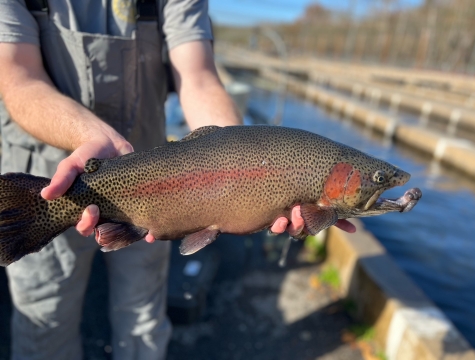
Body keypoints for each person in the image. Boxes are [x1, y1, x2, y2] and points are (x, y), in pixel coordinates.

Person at [0, 1, 355, 359]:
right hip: (50, 179)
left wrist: (244, 165)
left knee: (143, 320)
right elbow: (18, 78)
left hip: (165, 189)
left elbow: (198, 77)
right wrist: (88, 135)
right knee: (45, 323)